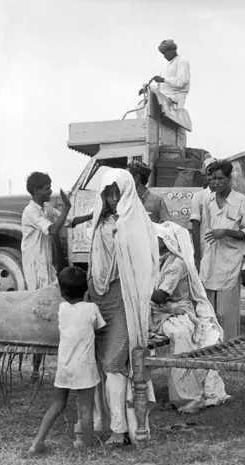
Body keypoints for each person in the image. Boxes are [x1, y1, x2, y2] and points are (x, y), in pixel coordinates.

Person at [87, 168, 158, 445]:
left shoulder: (136, 223)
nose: (113, 198)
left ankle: (120, 430)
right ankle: (111, 424)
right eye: (108, 193)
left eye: (117, 192)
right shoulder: (98, 221)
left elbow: (144, 267)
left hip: (123, 299)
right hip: (98, 298)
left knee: (116, 363)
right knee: (103, 365)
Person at [151, 221, 231, 414]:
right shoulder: (158, 259)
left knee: (182, 334)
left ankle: (189, 397)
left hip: (176, 312)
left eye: (157, 237)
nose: (152, 240)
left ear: (166, 242)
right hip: (161, 312)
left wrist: (136, 291)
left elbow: (160, 296)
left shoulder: (176, 264)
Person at [21, 172, 91, 380]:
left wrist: (94, 215)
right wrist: (67, 208)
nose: (50, 191)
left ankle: (49, 363)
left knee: (53, 310)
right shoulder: (31, 211)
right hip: (35, 267)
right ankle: (35, 368)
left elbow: (70, 222)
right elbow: (53, 230)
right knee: (40, 314)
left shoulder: (45, 208)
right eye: (46, 188)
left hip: (47, 265)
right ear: (36, 191)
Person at [29, 266, 105, 454]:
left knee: (56, 404)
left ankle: (37, 442)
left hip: (64, 367)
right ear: (87, 289)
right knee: (86, 408)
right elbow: (101, 327)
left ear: (62, 292)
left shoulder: (62, 309)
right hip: (84, 367)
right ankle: (85, 447)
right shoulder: (91, 308)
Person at [191, 159, 245, 341]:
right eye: (212, 179)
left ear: (230, 179)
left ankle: (230, 348)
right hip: (211, 259)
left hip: (230, 262)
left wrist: (226, 232)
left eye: (220, 179)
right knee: (209, 309)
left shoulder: (241, 200)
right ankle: (212, 346)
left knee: (226, 311)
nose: (215, 183)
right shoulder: (209, 200)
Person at [141, 39, 191, 109]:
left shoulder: (182, 62)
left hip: (174, 100)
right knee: (141, 107)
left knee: (149, 108)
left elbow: (181, 82)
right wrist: (148, 89)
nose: (164, 56)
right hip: (165, 98)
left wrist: (163, 79)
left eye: (165, 53)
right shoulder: (170, 66)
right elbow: (163, 87)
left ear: (171, 50)